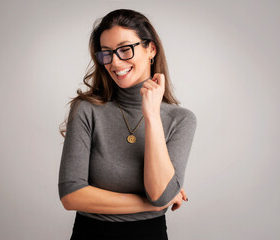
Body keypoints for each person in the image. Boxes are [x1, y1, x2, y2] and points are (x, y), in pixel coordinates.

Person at [58, 9, 197, 240]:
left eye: (125, 49)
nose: (114, 62)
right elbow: (71, 195)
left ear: (150, 49)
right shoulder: (86, 109)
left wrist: (151, 114)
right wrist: (151, 205)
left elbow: (160, 195)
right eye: (106, 53)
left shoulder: (180, 119)